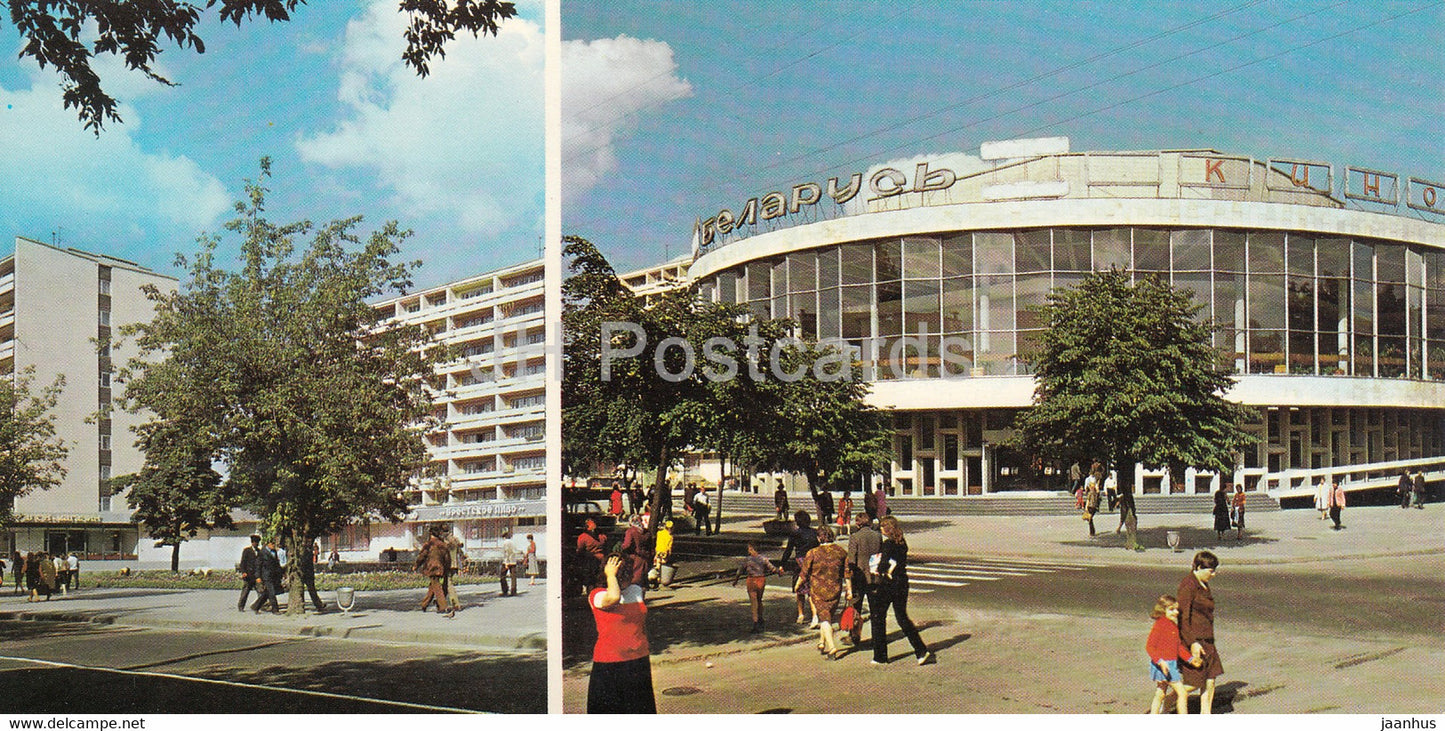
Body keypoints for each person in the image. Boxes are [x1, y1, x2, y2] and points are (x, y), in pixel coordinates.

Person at [588, 555, 656, 714]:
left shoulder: (636, 590)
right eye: (622, 574)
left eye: (627, 573)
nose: (627, 578)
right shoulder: (597, 595)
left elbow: (640, 620)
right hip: (610, 662)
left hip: (638, 659)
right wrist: (611, 575)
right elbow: (614, 597)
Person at [872, 516, 932, 665]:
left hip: (888, 583)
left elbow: (884, 564)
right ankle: (921, 650)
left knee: (878, 617)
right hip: (902, 582)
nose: (880, 530)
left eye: (882, 527)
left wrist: (877, 569)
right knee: (902, 617)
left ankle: (880, 656)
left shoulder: (888, 544)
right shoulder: (902, 542)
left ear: (887, 529)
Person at [1177, 550, 1223, 714]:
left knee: (1210, 679)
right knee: (1194, 682)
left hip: (1207, 639)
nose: (1214, 574)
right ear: (1198, 567)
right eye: (1211, 571)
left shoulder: (1203, 584)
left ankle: (1205, 714)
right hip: (1195, 640)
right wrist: (1192, 643)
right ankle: (1163, 703)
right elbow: (1182, 617)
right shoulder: (1188, 585)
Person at [798, 525, 849, 659]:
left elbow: (804, 573)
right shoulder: (841, 551)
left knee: (824, 618)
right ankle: (821, 642)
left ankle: (831, 647)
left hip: (818, 590)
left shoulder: (813, 553)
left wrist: (797, 586)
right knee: (827, 615)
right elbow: (847, 573)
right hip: (835, 589)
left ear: (818, 538)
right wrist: (849, 589)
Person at [1145, 594, 1196, 714]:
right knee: (1182, 693)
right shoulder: (1160, 625)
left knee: (1160, 692)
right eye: (1171, 609)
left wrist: (1190, 659)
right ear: (1163, 610)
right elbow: (1149, 646)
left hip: (1170, 663)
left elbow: (1178, 647)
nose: (1176, 612)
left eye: (1176, 609)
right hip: (1163, 665)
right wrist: (1160, 661)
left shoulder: (1172, 625)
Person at [845, 512, 881, 647]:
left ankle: (854, 636)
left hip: (859, 578)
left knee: (855, 607)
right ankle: (877, 638)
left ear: (858, 523)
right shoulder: (878, 536)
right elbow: (880, 555)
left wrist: (849, 578)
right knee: (875, 610)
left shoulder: (854, 537)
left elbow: (851, 560)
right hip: (874, 577)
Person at [780, 510, 820, 626]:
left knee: (800, 590)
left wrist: (782, 564)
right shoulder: (814, 533)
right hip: (813, 562)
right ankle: (815, 615)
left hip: (799, 563)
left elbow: (788, 550)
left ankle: (801, 614)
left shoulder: (795, 534)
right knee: (812, 590)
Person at [732, 542, 780, 632]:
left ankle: (756, 622)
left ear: (751, 549)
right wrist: (779, 571)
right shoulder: (763, 559)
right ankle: (761, 617)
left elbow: (739, 571)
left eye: (748, 548)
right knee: (759, 600)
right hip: (761, 580)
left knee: (753, 602)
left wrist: (735, 581)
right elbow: (772, 568)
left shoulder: (747, 560)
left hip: (751, 580)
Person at [415, 527, 454, 617]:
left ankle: (443, 607)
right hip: (441, 568)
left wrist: (416, 565)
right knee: (433, 586)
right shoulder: (443, 545)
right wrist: (447, 568)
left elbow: (422, 556)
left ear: (430, 534)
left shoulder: (429, 544)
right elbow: (447, 558)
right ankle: (425, 604)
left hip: (431, 568)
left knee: (436, 586)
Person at [619, 516, 652, 591]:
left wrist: (621, 546)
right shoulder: (647, 532)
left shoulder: (631, 531)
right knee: (642, 579)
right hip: (644, 558)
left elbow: (627, 545)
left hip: (634, 557)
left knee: (633, 580)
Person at [576, 517, 606, 597]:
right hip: (602, 560)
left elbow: (580, 550)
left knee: (590, 580)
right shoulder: (602, 536)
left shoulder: (582, 537)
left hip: (589, 561)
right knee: (600, 579)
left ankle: (590, 595)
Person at [251, 538, 283, 614]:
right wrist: (258, 577)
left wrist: (280, 573)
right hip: (266, 576)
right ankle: (275, 609)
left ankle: (256, 606)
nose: (274, 545)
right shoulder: (262, 552)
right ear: (268, 544)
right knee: (271, 592)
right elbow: (258, 565)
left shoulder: (274, 552)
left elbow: (276, 564)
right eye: (272, 544)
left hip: (273, 576)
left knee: (267, 593)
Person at [237, 534, 261, 611]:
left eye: (257, 542)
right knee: (245, 592)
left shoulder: (259, 551)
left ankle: (258, 606)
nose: (256, 544)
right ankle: (241, 606)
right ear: (252, 542)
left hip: (256, 575)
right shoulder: (247, 551)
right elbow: (243, 563)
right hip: (248, 575)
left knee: (260, 592)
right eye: (255, 542)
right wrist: (243, 572)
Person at [1082, 465, 1102, 536]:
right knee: (1090, 519)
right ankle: (1092, 532)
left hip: (1092, 506)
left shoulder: (1093, 492)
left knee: (1090, 518)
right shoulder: (1092, 492)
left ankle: (1092, 532)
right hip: (1092, 506)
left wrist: (1086, 508)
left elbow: (1088, 499)